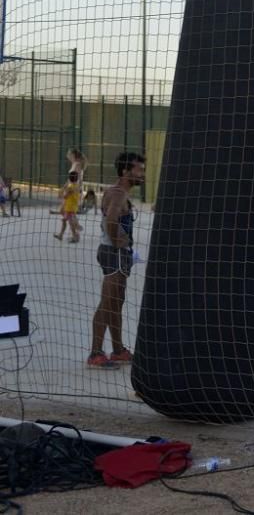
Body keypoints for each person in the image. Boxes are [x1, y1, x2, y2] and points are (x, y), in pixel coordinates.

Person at [89, 152, 145, 369]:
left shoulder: (120, 193)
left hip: (118, 254)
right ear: (125, 171)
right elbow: (111, 220)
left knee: (116, 303)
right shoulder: (118, 194)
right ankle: (95, 353)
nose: (142, 174)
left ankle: (118, 350)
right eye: (138, 170)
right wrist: (118, 242)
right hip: (114, 254)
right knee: (107, 303)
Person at [54, 171, 82, 243]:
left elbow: (65, 196)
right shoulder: (77, 185)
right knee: (65, 221)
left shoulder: (70, 187)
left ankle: (75, 235)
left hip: (69, 208)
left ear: (69, 178)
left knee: (70, 222)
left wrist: (61, 194)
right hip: (72, 206)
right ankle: (61, 235)